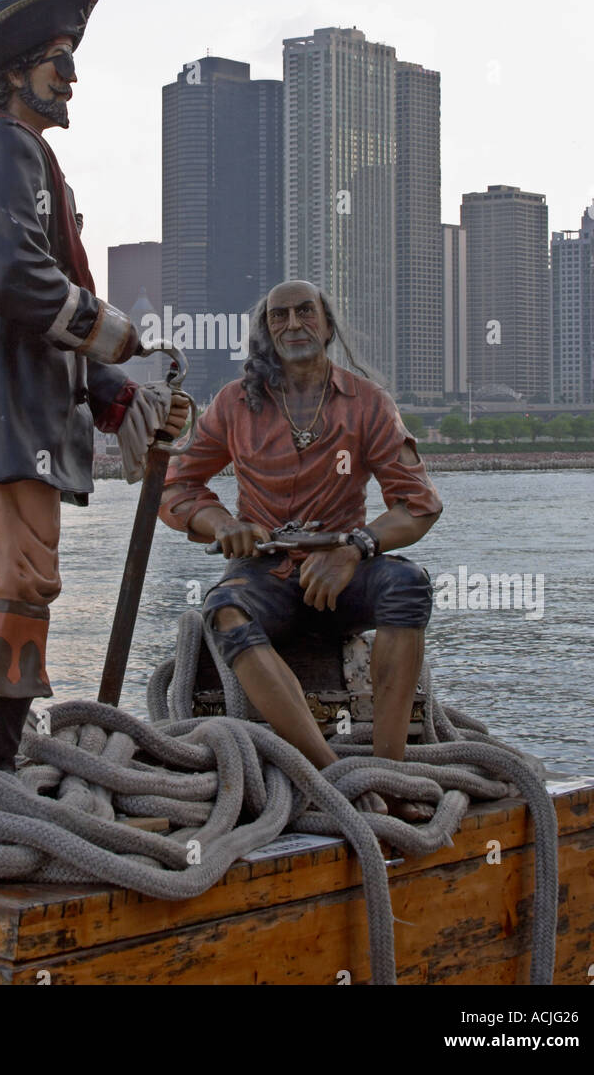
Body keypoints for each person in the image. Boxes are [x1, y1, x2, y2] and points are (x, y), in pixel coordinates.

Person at [0, 0, 188, 771]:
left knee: (1, 579)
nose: (70, 79)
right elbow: (14, 279)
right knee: (13, 580)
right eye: (58, 63)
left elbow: (35, 296)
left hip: (7, 393)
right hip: (0, 395)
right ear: (12, 72)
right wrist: (116, 331)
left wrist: (120, 396)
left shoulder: (7, 147)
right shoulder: (2, 142)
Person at [159, 278, 443, 820]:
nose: (293, 325)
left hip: (342, 576)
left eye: (305, 312)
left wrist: (356, 548)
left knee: (408, 585)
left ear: (328, 325)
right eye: (279, 316)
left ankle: (390, 773)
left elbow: (418, 505)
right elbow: (176, 486)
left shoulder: (368, 404)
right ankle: (329, 778)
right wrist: (223, 521)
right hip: (267, 576)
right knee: (225, 608)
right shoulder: (235, 405)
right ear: (267, 333)